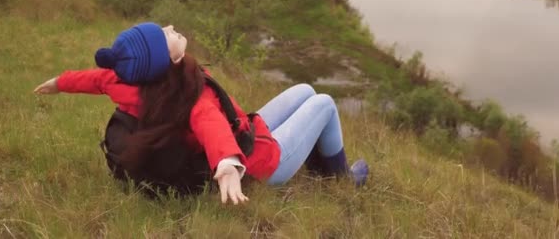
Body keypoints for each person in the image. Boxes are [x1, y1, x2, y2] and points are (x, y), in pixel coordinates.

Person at [34, 22, 369, 205]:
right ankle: (340, 180)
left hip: (246, 130)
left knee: (305, 91)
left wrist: (59, 83)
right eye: (167, 35)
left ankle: (316, 162)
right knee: (323, 102)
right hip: (262, 161)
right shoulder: (190, 97)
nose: (170, 27)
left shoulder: (132, 82)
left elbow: (94, 78)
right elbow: (211, 126)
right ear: (173, 60)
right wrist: (227, 164)